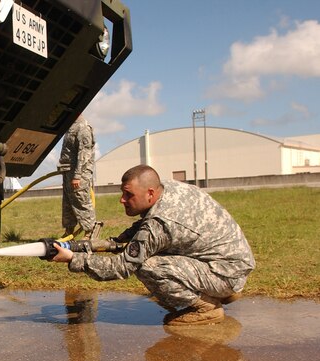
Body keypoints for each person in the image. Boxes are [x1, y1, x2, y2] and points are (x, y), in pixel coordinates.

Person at [50, 165, 255, 326]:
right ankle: (223, 291)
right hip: (229, 263)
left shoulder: (159, 224)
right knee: (153, 254)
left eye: (129, 195)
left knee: (148, 266)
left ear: (149, 193)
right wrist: (89, 245)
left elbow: (121, 267)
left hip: (226, 272)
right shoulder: (166, 188)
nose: (122, 200)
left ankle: (205, 308)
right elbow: (138, 230)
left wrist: (73, 258)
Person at [58, 114, 96, 239]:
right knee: (68, 202)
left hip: (79, 172)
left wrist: (78, 176)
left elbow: (84, 153)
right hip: (69, 170)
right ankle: (69, 231)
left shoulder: (83, 128)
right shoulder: (71, 127)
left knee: (81, 201)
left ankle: (89, 232)